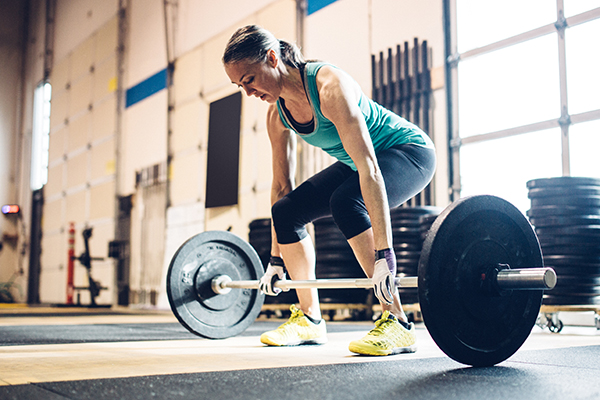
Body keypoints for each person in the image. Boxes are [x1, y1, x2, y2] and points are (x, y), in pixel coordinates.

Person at [222, 25, 436, 356]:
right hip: (360, 164)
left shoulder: (329, 88)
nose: (247, 92)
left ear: (272, 57)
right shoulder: (276, 115)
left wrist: (385, 256)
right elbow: (281, 186)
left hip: (408, 151)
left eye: (249, 79)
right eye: (239, 85)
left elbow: (370, 169)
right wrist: (276, 259)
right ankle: (309, 319)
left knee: (347, 201)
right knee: (286, 211)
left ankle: (397, 322)